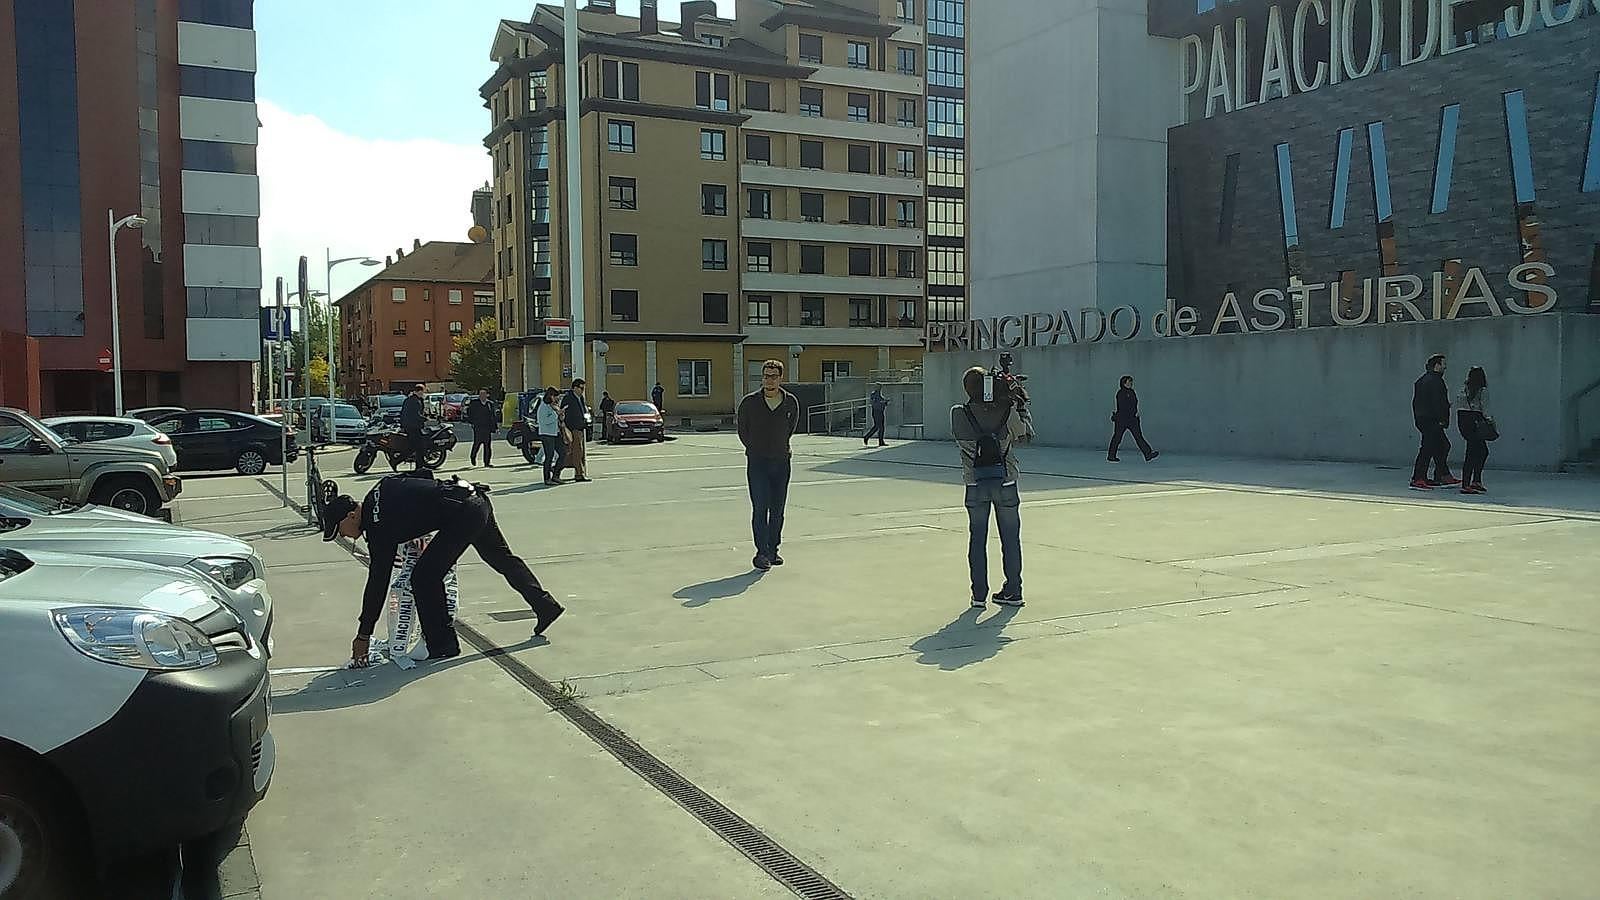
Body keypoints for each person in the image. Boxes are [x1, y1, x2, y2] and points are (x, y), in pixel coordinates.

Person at [324, 473, 565, 665]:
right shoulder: (382, 486)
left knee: (424, 578)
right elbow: (424, 475)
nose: (345, 536)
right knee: (501, 558)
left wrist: (363, 635)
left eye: (340, 529)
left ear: (352, 514)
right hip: (473, 497)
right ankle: (545, 605)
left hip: (463, 515)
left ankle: (443, 645)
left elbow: (378, 582)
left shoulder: (377, 527)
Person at [952, 366, 1029, 608]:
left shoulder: (958, 413)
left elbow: (960, 438)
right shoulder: (1007, 411)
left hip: (975, 482)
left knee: (977, 538)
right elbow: (1025, 435)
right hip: (1005, 479)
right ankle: (1014, 590)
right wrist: (1019, 404)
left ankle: (978, 595)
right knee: (1010, 538)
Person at [737, 359, 799, 570]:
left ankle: (773, 550)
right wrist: (756, 449)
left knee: (778, 509)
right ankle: (761, 552)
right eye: (765, 376)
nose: (769, 380)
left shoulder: (790, 402)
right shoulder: (749, 402)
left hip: (781, 462)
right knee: (760, 508)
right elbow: (743, 431)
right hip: (758, 463)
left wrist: (779, 447)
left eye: (773, 376)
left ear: (780, 378)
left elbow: (790, 428)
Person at [1411, 353, 1458, 490]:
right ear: (1437, 365)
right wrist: (1442, 419)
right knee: (1429, 448)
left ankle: (1441, 475)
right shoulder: (1436, 381)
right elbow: (1438, 402)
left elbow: (1418, 402)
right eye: (1443, 364)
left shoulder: (1422, 380)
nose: (1445, 367)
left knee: (1441, 446)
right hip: (1432, 420)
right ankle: (1419, 478)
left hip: (1424, 419)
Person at [1457, 366, 1493, 494]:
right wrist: (1490, 421)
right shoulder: (1482, 391)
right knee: (1478, 452)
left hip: (1463, 421)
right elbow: (1485, 409)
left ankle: (1474, 481)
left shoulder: (1463, 389)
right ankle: (1469, 483)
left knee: (1476, 450)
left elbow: (1459, 406)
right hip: (1476, 421)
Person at [1107, 375, 1158, 462]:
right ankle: (1111, 456)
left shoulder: (1132, 392)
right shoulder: (1121, 393)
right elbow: (1123, 406)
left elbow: (1134, 405)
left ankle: (1148, 454)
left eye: (1131, 382)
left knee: (1138, 437)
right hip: (1122, 419)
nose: (1131, 383)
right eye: (1129, 382)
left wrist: (1136, 414)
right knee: (1117, 438)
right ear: (1124, 383)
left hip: (1132, 419)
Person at [561, 378, 591, 482]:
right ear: (575, 388)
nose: (582, 390)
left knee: (577, 453)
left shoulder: (581, 398)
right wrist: (568, 428)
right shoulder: (568, 398)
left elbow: (584, 411)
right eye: (581, 388)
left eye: (583, 388)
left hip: (581, 428)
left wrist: (587, 421)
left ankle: (558, 467)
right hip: (573, 429)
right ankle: (579, 474)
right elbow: (565, 414)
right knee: (577, 452)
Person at [536, 386, 564, 485]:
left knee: (563, 453)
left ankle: (556, 474)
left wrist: (561, 415)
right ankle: (547, 478)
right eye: (557, 397)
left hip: (555, 433)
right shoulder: (543, 406)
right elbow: (544, 421)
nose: (558, 399)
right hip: (546, 434)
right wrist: (557, 414)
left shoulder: (553, 406)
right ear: (551, 396)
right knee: (549, 456)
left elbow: (557, 420)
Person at [465, 388, 498, 467]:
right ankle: (473, 457)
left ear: (487, 395)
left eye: (484, 394)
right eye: (481, 394)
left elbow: (493, 416)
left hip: (487, 427)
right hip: (478, 426)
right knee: (477, 443)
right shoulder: (474, 403)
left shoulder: (490, 404)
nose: (482, 395)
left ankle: (487, 462)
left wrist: (495, 427)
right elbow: (469, 412)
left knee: (487, 445)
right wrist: (472, 422)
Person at [399, 383, 427, 469]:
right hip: (414, 427)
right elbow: (416, 415)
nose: (424, 394)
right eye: (423, 392)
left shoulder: (408, 400)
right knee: (419, 447)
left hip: (407, 426)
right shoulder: (416, 401)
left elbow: (403, 413)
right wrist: (425, 419)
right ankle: (420, 467)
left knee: (413, 445)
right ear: (419, 391)